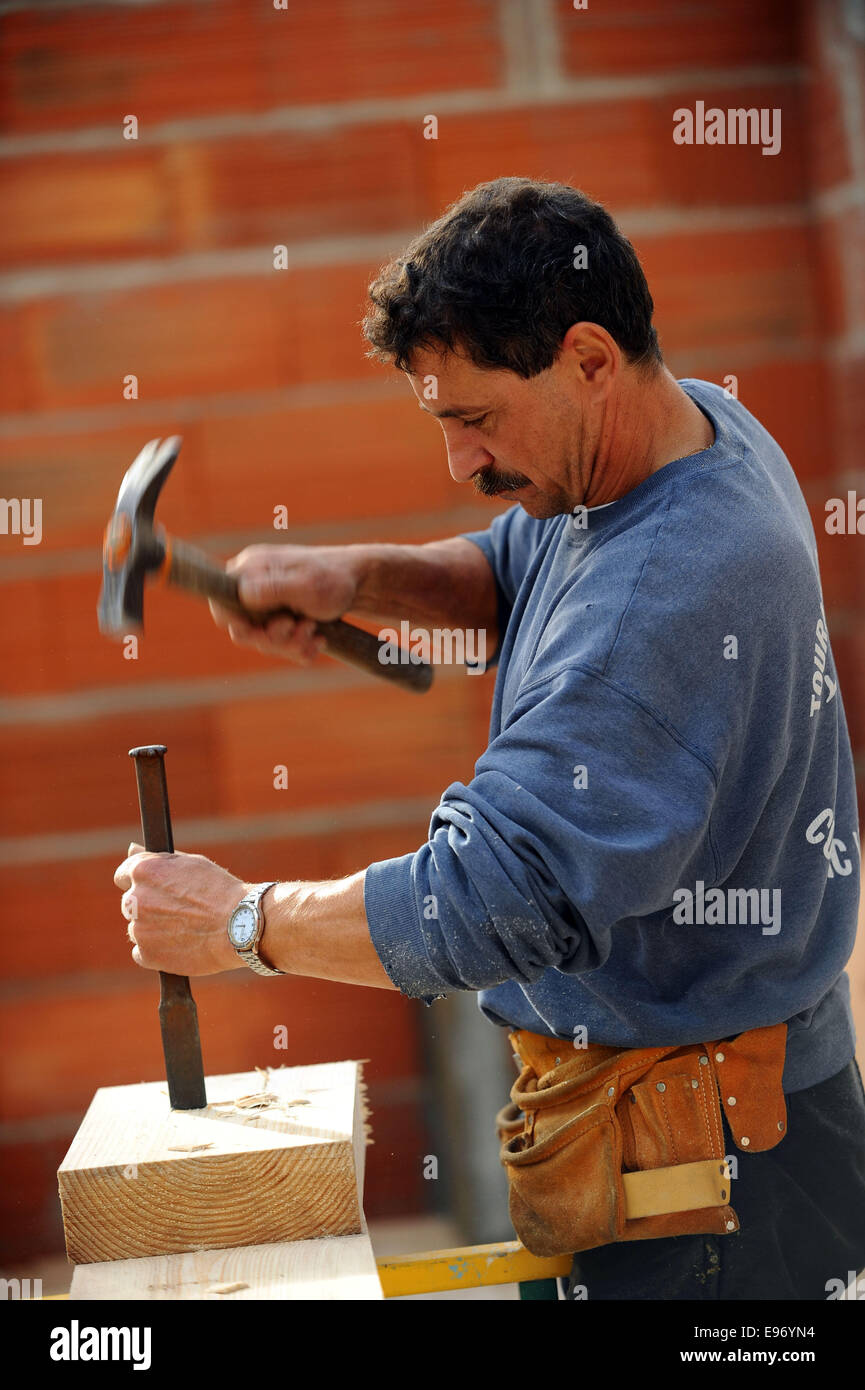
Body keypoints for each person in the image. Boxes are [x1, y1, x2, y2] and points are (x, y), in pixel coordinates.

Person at [114, 177, 865, 1300]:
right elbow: (524, 565)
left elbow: (486, 900)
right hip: (694, 1128)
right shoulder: (691, 432)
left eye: (475, 421)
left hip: (711, 1199)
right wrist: (356, 576)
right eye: (443, 423)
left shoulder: (662, 602)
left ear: (589, 359)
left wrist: (234, 921)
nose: (460, 464)